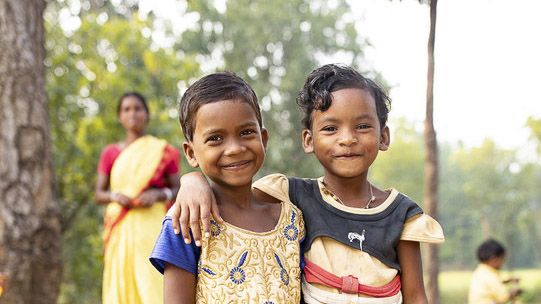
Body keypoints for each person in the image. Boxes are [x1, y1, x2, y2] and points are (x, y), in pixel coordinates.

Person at [171, 64, 445, 304]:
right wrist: (192, 180)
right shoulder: (292, 197)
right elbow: (234, 198)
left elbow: (416, 296)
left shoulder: (401, 215)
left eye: (362, 126)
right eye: (330, 128)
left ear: (384, 137)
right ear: (308, 140)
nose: (347, 139)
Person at [149, 72, 305, 303]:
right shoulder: (187, 221)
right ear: (191, 153)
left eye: (246, 133)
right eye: (215, 138)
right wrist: (190, 179)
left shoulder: (292, 220)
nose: (234, 148)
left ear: (263, 138)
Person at [95, 92, 180, 304]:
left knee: (152, 280)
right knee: (120, 282)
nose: (132, 113)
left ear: (146, 115)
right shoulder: (110, 153)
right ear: (119, 117)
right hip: (120, 226)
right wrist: (115, 196)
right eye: (126, 109)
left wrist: (160, 193)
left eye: (137, 108)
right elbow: (99, 193)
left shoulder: (163, 151)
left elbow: (179, 188)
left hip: (152, 224)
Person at [468, 239, 522, 304]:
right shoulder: (489, 275)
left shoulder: (481, 271)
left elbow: (495, 285)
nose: (502, 263)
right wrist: (514, 292)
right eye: (502, 259)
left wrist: (508, 281)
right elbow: (503, 297)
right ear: (494, 259)